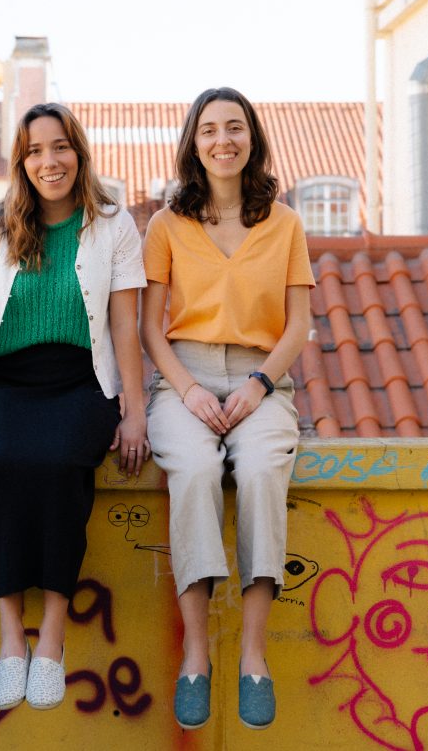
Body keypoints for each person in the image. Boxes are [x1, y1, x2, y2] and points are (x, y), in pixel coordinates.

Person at [0, 102, 149, 712]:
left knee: (60, 465)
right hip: (8, 383)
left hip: (82, 383)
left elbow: (125, 326)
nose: (48, 161)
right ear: (21, 161)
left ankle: (51, 639)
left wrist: (133, 413)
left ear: (78, 152)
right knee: (3, 464)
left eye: (59, 148)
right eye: (34, 151)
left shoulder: (113, 223)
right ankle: (11, 642)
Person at [140, 87, 314, 731]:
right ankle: (194, 652)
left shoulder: (286, 223)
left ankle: (251, 653)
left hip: (261, 376)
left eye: (234, 127)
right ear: (193, 142)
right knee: (194, 470)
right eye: (209, 129)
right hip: (181, 376)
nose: (223, 140)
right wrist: (185, 388)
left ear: (252, 137)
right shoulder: (166, 224)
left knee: (265, 468)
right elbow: (150, 328)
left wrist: (259, 386)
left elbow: (298, 324)